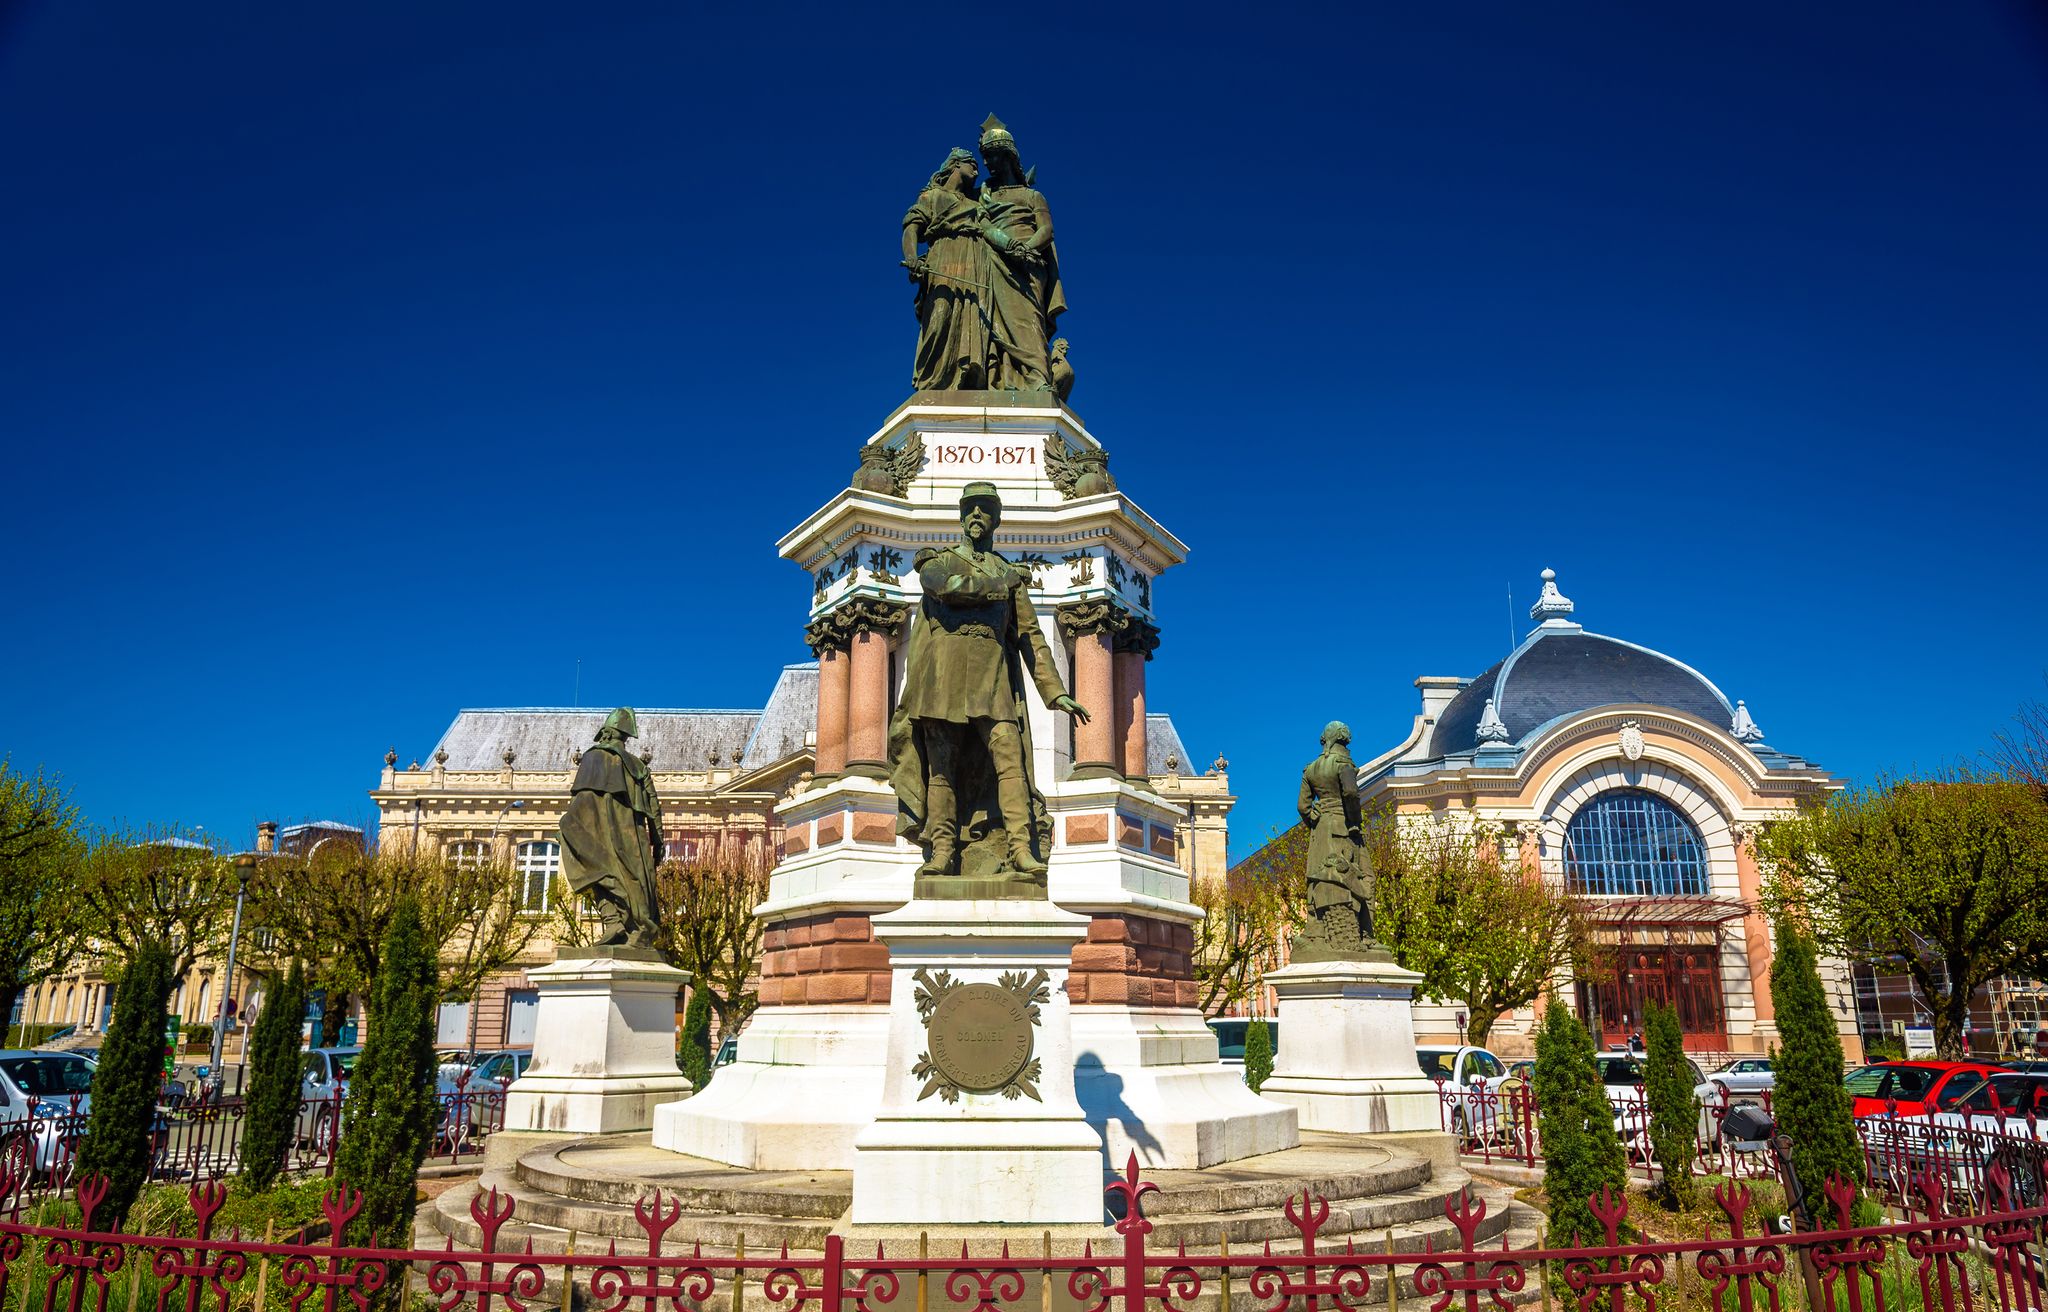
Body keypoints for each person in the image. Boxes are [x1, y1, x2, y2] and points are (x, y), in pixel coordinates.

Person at [890, 483, 1089, 878]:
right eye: (971, 509)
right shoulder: (940, 562)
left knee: (1011, 763)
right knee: (941, 770)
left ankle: (1020, 850)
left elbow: (1031, 637)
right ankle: (942, 852)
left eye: (985, 509)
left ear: (996, 520)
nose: (977, 516)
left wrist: (1055, 693)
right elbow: (945, 588)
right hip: (943, 678)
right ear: (961, 517)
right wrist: (1003, 585)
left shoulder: (1009, 576)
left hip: (992, 678)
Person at [558, 707, 663, 949]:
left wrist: (568, 827)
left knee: (593, 871)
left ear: (606, 733)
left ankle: (612, 918)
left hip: (597, 831)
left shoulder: (592, 757)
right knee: (634, 880)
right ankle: (630, 927)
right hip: (631, 837)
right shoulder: (639, 767)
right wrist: (658, 842)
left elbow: (580, 801)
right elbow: (654, 808)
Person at [975, 116, 1065, 391]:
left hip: (1029, 262)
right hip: (996, 258)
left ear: (1008, 156)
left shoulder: (1033, 196)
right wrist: (1008, 247)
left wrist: (1025, 249)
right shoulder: (984, 196)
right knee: (995, 321)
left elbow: (1046, 230)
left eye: (992, 155)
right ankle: (1003, 379)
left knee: (1028, 321)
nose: (986, 163)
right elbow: (981, 224)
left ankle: (1037, 377)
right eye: (984, 157)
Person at [1288, 721, 1382, 962]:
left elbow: (1302, 806)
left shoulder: (1310, 769)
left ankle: (1318, 931)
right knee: (1360, 877)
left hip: (1320, 831)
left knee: (1320, 878)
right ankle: (1364, 935)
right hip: (1344, 826)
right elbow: (1350, 793)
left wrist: (1314, 819)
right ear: (1343, 739)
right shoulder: (1343, 763)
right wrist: (1355, 821)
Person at [902, 147, 990, 391]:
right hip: (944, 256)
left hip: (976, 259)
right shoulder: (932, 196)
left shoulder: (976, 203)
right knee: (939, 316)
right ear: (955, 165)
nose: (977, 171)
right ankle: (932, 380)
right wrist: (912, 258)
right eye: (972, 164)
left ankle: (968, 377)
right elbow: (911, 228)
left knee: (976, 316)